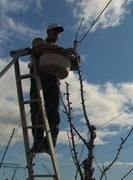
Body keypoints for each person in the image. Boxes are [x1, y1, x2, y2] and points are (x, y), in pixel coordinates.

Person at [29, 23, 76, 152]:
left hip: (53, 81)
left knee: (53, 114)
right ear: (48, 32)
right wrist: (62, 50)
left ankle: (49, 144)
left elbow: (72, 66)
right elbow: (38, 47)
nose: (57, 34)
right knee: (37, 111)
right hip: (39, 78)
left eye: (59, 33)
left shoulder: (59, 49)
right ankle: (38, 143)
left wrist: (73, 58)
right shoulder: (39, 41)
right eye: (55, 31)